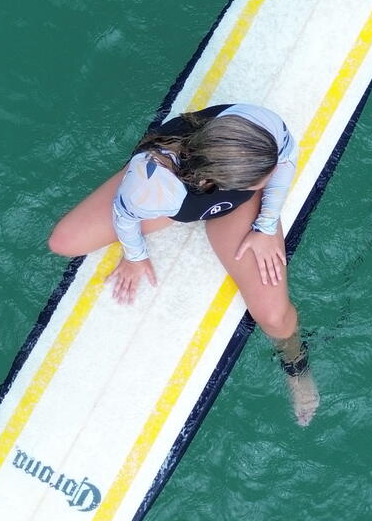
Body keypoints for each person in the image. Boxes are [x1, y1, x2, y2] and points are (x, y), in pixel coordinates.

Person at [48, 103, 320, 426]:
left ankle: (297, 369)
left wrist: (265, 224)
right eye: (262, 180)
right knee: (65, 241)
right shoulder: (151, 184)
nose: (273, 177)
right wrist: (135, 256)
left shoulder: (262, 126)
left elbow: (286, 158)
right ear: (223, 181)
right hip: (174, 197)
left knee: (274, 316)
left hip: (227, 205)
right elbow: (125, 212)